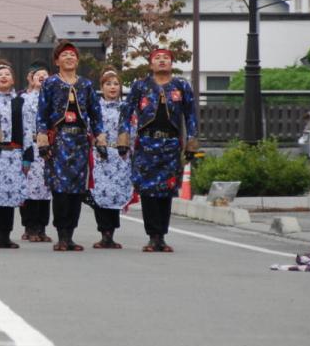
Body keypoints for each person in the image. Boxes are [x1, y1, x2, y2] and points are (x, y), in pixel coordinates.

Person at [117, 46, 198, 253]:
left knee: (166, 191)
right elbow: (126, 112)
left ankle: (162, 236)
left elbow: (190, 114)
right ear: (151, 63)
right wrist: (123, 138)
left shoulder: (181, 85)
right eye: (157, 58)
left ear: (171, 63)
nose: (162, 61)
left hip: (170, 145)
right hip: (146, 144)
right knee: (148, 191)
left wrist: (191, 141)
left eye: (166, 58)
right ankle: (153, 236)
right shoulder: (141, 86)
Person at [37, 41, 105, 252]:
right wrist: (42, 139)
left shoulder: (86, 85)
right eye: (64, 55)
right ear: (57, 61)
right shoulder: (50, 83)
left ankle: (71, 235)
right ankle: (61, 235)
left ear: (77, 60)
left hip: (80, 142)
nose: (69, 58)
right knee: (60, 190)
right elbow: (42, 113)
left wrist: (100, 137)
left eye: (72, 55)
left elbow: (96, 114)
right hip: (58, 141)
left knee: (77, 190)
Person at [0, 59, 27, 249]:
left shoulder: (20, 101)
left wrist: (28, 155)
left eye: (7, 74)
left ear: (13, 79)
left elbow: (27, 128)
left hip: (14, 153)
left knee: (10, 194)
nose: (3, 77)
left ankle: (6, 235)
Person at [91, 68, 132, 249]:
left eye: (116, 84)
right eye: (108, 84)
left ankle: (111, 234)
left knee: (116, 194)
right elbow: (89, 130)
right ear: (102, 87)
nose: (112, 87)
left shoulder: (126, 109)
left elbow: (133, 131)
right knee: (101, 194)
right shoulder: (95, 108)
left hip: (121, 156)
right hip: (100, 156)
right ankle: (103, 232)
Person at [20, 61, 52, 242]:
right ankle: (29, 226)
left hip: (48, 148)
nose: (42, 77)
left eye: (45, 75)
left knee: (46, 189)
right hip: (30, 146)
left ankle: (42, 228)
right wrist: (24, 150)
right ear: (31, 79)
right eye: (38, 74)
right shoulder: (23, 99)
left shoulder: (53, 100)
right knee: (29, 189)